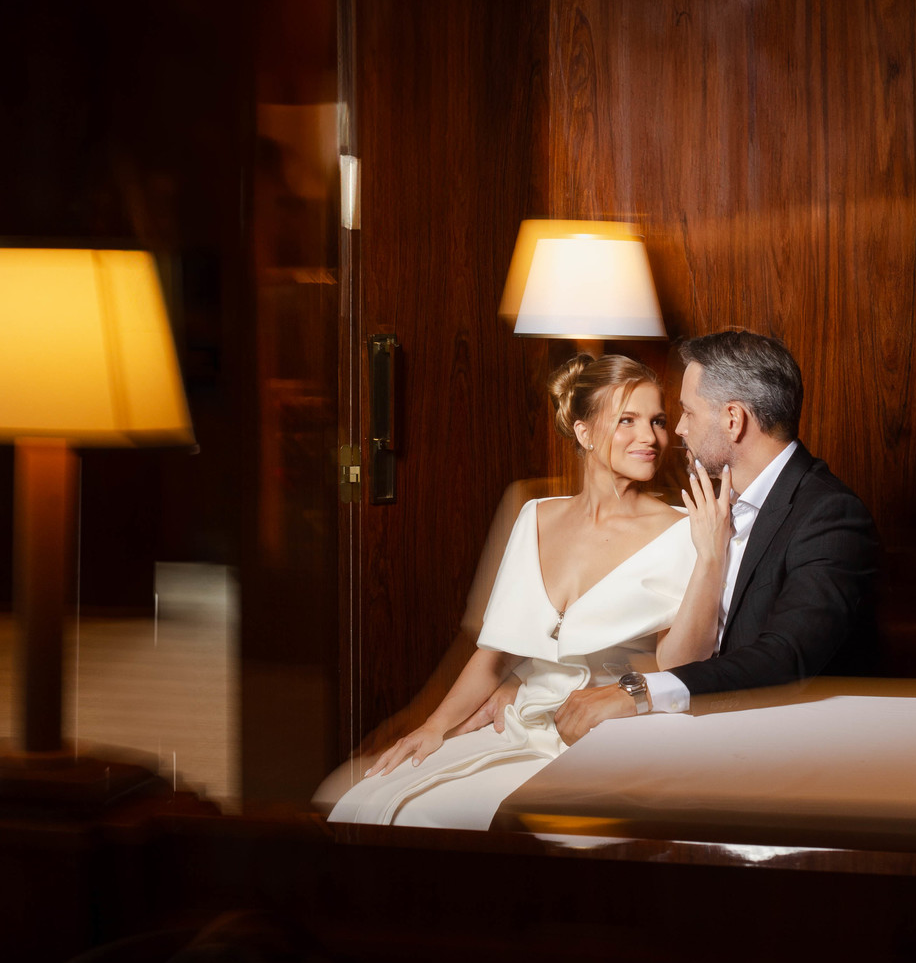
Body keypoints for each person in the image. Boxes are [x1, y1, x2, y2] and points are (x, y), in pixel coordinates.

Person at [325, 352, 731, 828]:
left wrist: (710, 558)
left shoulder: (686, 530)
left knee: (462, 818)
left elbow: (680, 667)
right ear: (583, 431)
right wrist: (434, 727)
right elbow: (495, 654)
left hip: (609, 732)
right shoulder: (536, 516)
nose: (651, 437)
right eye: (628, 420)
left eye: (658, 421)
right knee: (367, 798)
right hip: (522, 722)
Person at [553, 329, 879, 744]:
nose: (678, 430)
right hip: (699, 729)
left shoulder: (830, 515)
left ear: (732, 420)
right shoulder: (712, 507)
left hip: (782, 742)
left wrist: (639, 693)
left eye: (688, 413)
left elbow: (785, 657)